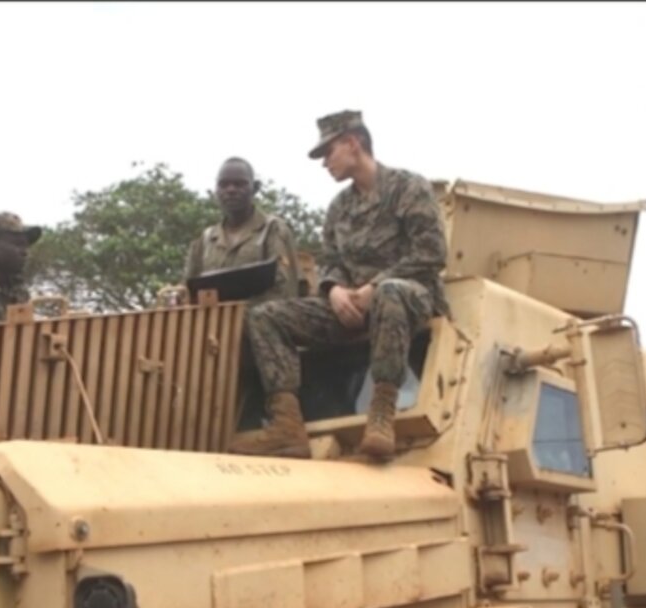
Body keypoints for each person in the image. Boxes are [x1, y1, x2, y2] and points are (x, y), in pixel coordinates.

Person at [229, 110, 449, 461]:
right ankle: (287, 427)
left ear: (353, 143)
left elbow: (432, 254)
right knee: (265, 316)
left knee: (391, 292)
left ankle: (381, 415)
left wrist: (373, 288)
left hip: (411, 299)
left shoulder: (408, 188)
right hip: (352, 307)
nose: (324, 163)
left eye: (328, 152)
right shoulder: (339, 208)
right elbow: (330, 260)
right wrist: (334, 291)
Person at [185, 157, 300, 304]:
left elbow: (285, 291)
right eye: (223, 184)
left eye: (240, 184)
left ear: (255, 188)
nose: (231, 190)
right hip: (213, 324)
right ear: (216, 190)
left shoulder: (272, 229)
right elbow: (188, 292)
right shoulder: (206, 239)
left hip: (262, 323)